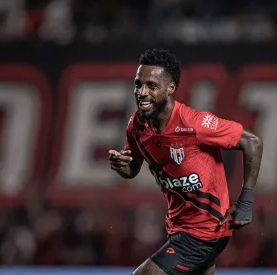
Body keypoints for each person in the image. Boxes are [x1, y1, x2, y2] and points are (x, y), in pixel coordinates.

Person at [109, 49, 263, 275]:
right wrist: (123, 167)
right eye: (138, 84)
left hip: (206, 231)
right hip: (179, 229)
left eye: (151, 86)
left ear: (170, 88)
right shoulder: (137, 125)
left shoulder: (194, 124)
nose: (142, 92)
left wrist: (245, 202)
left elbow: (253, 142)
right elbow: (132, 169)